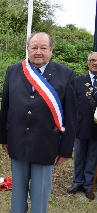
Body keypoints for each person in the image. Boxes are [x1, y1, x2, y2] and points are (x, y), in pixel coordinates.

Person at [0, 32, 77, 213]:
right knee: (17, 194)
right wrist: (4, 137)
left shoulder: (66, 74)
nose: (38, 52)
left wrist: (66, 149)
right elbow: (6, 107)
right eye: (34, 47)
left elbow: (72, 116)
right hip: (17, 142)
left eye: (43, 48)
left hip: (46, 144)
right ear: (28, 49)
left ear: (51, 50)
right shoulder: (13, 70)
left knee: (40, 194)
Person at [67, 52, 97, 199]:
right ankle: (77, 182)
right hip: (81, 125)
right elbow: (71, 104)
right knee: (79, 155)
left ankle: (88, 184)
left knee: (93, 156)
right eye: (92, 60)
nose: (95, 63)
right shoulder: (78, 81)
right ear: (88, 63)